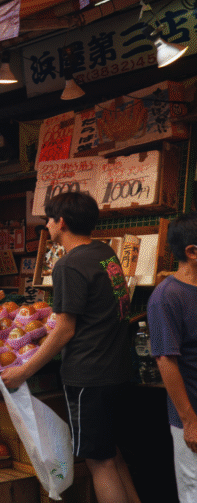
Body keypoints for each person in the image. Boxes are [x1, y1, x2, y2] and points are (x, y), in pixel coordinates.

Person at [1, 192, 139, 503]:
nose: (46, 226)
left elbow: (64, 329)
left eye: (48, 220)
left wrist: (23, 371)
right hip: (117, 369)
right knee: (112, 454)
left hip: (89, 376)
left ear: (61, 222)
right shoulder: (105, 253)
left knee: (99, 462)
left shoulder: (69, 265)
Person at [148, 213, 197, 502]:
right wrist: (189, 421)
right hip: (193, 416)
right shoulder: (166, 297)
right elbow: (166, 360)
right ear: (192, 252)